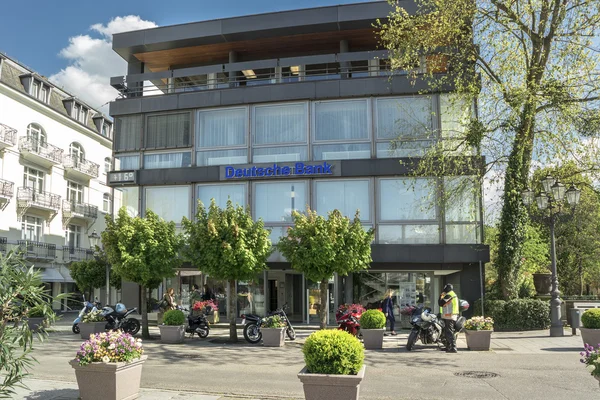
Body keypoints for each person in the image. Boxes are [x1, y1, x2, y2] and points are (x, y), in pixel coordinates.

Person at [438, 283, 459, 353]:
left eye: (445, 289)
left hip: (450, 316)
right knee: (447, 332)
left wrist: (441, 295)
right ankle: (448, 347)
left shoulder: (449, 295)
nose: (444, 290)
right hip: (448, 315)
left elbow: (440, 303)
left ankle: (453, 347)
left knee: (449, 332)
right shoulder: (451, 294)